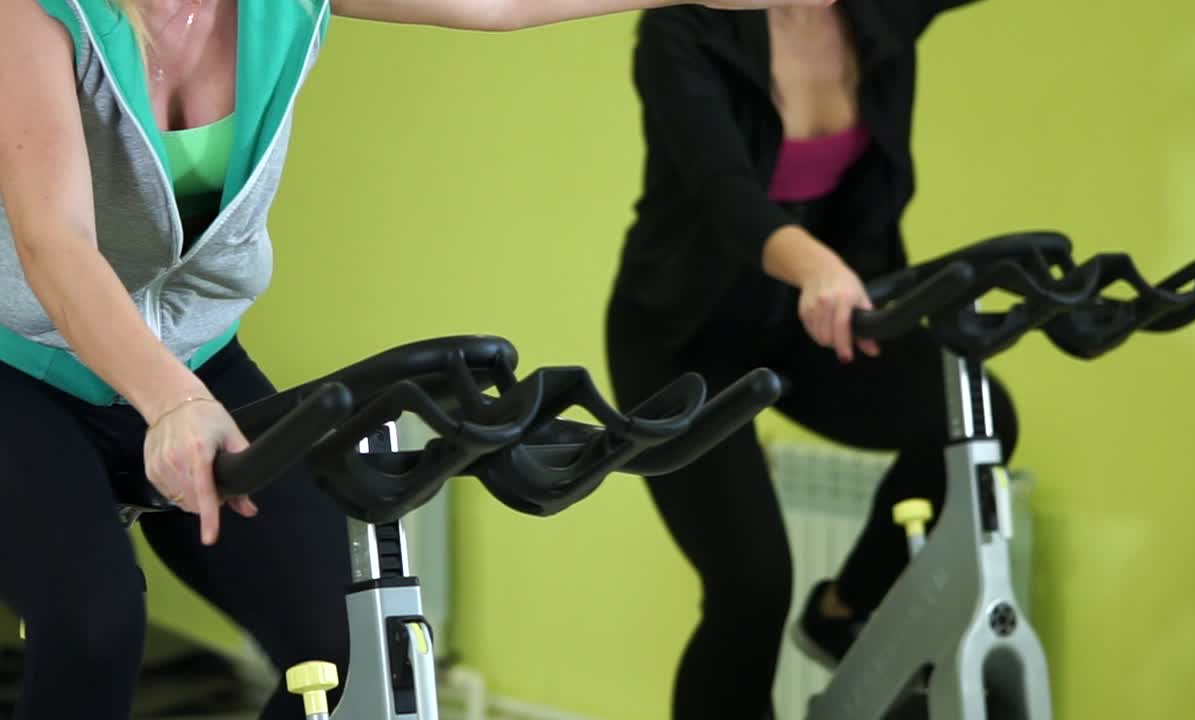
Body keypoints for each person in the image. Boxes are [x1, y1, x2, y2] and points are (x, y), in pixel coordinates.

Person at [0, 0, 836, 718]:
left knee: (350, 639)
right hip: (29, 369)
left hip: (199, 361)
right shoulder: (38, 14)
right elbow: (54, 240)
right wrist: (168, 401)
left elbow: (495, 4)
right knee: (93, 627)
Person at [604, 2, 1019, 717]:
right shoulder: (681, 31)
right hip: (682, 334)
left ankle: (844, 607)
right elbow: (725, 193)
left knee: (973, 421)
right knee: (752, 584)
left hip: (812, 322)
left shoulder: (881, 14)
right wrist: (819, 269)